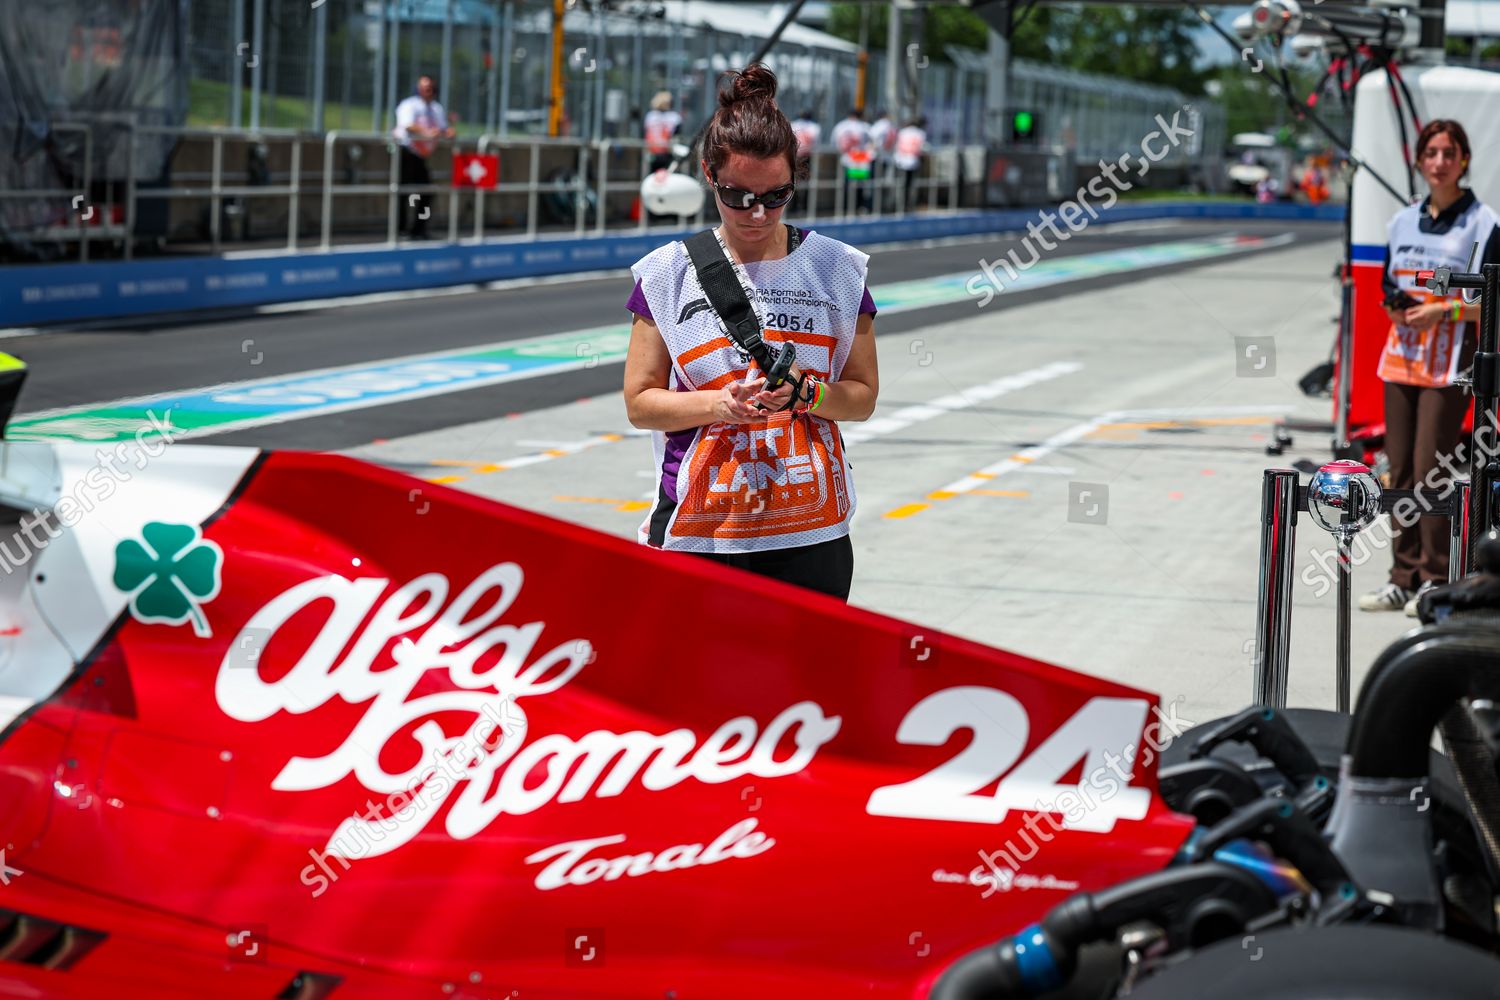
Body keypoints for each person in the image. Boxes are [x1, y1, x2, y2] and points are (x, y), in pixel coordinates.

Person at [622, 64, 880, 602]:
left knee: (803, 685)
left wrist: (808, 393)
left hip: (812, 535)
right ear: (708, 176)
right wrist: (720, 405)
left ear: (796, 179)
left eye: (776, 195)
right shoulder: (667, 273)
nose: (757, 213)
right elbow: (641, 403)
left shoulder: (837, 269)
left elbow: (861, 398)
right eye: (738, 196)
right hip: (700, 534)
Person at [1361, 119, 1500, 615]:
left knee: (1429, 471)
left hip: (1450, 361)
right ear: (1419, 160)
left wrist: (1446, 310)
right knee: (1397, 472)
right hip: (1401, 358)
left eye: (1449, 152)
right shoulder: (1400, 221)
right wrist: (1396, 307)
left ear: (1464, 160)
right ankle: (1401, 575)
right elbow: (1386, 287)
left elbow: (1494, 298)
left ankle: (1435, 577)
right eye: (1431, 152)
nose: (1439, 161)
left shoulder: (1484, 222)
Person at [392, 75, 455, 239]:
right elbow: (407, 125)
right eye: (424, 88)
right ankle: (401, 229)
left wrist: (448, 132)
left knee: (426, 192)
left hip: (421, 156)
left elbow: (443, 128)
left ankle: (420, 227)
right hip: (406, 152)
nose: (427, 91)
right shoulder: (409, 105)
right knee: (405, 192)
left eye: (430, 88)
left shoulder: (436, 108)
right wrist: (425, 132)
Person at [830, 107, 873, 215]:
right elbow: (871, 144)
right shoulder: (865, 126)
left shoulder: (840, 125)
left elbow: (833, 142)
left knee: (846, 185)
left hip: (845, 159)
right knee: (859, 186)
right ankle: (857, 207)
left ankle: (845, 208)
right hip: (860, 159)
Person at [894, 115, 928, 211]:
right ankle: (907, 205)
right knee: (909, 185)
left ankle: (899, 204)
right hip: (913, 162)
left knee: (901, 184)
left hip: (900, 161)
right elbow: (922, 148)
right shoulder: (920, 133)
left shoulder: (902, 132)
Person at [789, 108, 821, 213]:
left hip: (794, 156)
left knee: (791, 182)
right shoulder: (815, 127)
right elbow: (816, 144)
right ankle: (805, 207)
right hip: (808, 157)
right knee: (807, 182)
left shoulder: (792, 124)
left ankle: (792, 207)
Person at [644, 90, 683, 173]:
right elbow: (677, 136)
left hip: (652, 152)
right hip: (667, 152)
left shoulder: (650, 116)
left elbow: (646, 132)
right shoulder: (674, 117)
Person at [868, 108, 896, 211]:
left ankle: (871, 206)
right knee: (880, 183)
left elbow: (872, 141)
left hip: (875, 157)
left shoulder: (878, 126)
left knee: (872, 183)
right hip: (886, 158)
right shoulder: (891, 126)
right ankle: (880, 206)